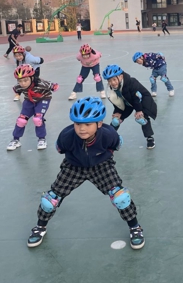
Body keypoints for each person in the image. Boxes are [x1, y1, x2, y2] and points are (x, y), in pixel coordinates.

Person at [26, 97, 145, 250]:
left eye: (88, 124)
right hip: (73, 166)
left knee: (120, 197)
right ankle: (40, 227)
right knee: (50, 200)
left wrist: (102, 157)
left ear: (99, 123)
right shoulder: (66, 136)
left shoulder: (109, 134)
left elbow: (116, 145)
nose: (82, 129)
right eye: (77, 124)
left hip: (101, 166)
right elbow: (60, 149)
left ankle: (135, 227)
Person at [102, 64, 158, 150]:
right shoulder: (111, 89)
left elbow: (136, 98)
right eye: (109, 81)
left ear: (121, 76)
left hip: (142, 101)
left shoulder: (131, 82)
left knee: (142, 119)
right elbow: (116, 101)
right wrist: (118, 112)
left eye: (114, 79)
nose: (112, 83)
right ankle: (107, 137)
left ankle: (150, 138)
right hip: (127, 102)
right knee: (115, 121)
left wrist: (139, 110)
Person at [8, 65, 59, 151]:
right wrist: (17, 94)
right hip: (29, 100)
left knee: (38, 119)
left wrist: (54, 87)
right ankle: (15, 140)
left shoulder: (41, 83)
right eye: (20, 81)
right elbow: (16, 90)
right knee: (21, 120)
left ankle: (42, 139)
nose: (23, 83)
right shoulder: (19, 86)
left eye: (25, 80)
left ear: (32, 78)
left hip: (43, 99)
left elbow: (54, 86)